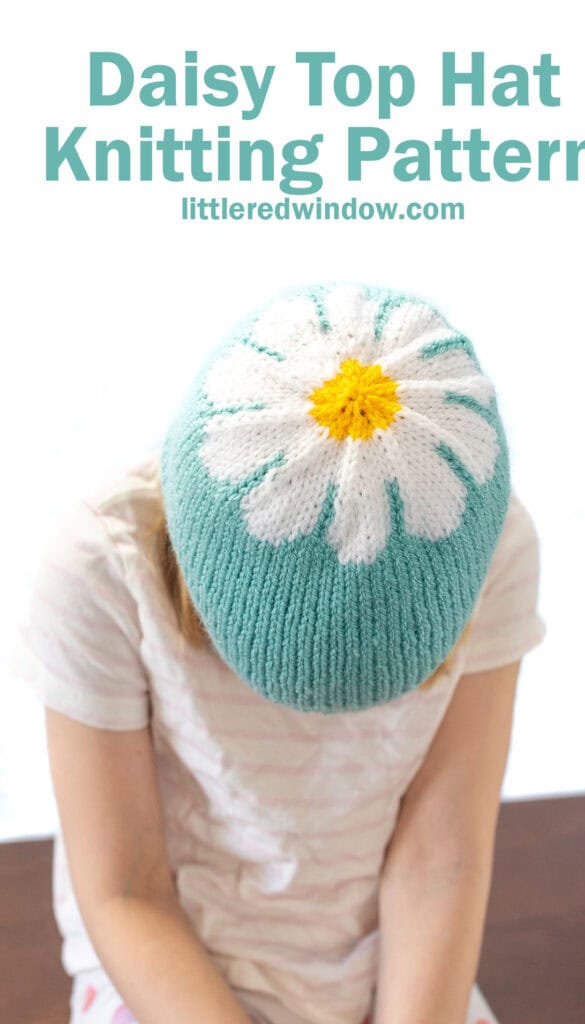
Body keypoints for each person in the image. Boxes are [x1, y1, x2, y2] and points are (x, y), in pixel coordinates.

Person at [15, 282, 546, 1024]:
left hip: (389, 963)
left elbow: (441, 856)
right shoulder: (99, 564)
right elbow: (126, 888)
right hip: (170, 974)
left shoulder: (465, 535)